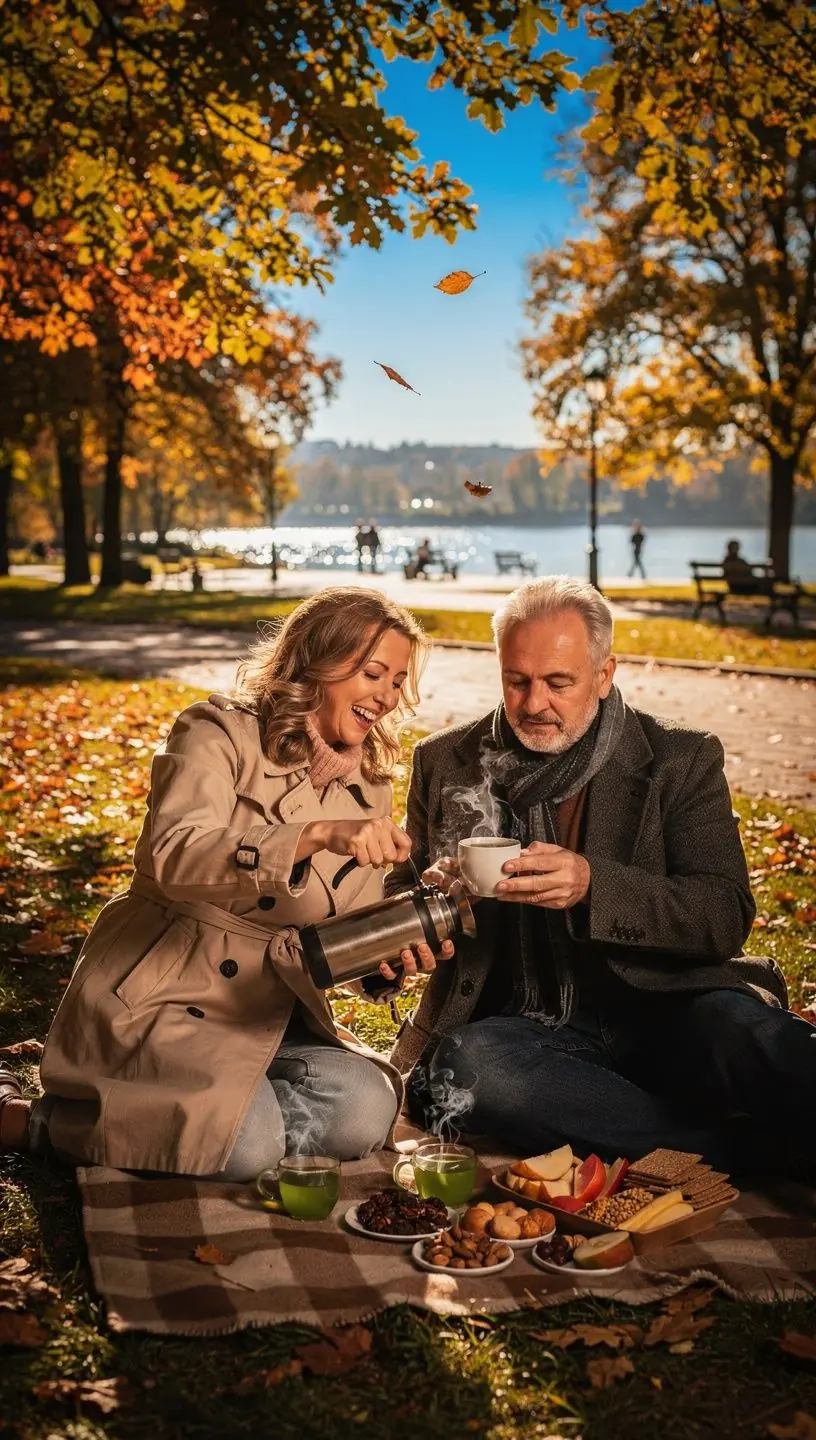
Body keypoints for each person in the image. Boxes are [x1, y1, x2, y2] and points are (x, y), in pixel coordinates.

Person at [0, 589, 453, 1179]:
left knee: (365, 1110)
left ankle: (201, 1114)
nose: (388, 696)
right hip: (165, 994)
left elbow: (335, 931)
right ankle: (31, 1121)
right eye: (373, 673)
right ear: (317, 661)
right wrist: (312, 834)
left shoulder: (370, 785)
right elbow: (174, 854)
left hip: (262, 1014)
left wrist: (383, 962)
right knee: (244, 1147)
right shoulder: (213, 732)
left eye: (396, 681)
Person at [385, 576, 813, 1179]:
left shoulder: (680, 758)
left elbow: (724, 915)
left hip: (669, 1009)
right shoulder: (445, 758)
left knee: (750, 1032)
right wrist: (421, 916)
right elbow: (401, 899)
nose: (534, 704)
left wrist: (593, 885)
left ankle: (649, 1126)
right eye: (516, 680)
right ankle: (733, 1150)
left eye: (558, 683)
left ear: (605, 674)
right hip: (524, 1032)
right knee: (468, 1067)